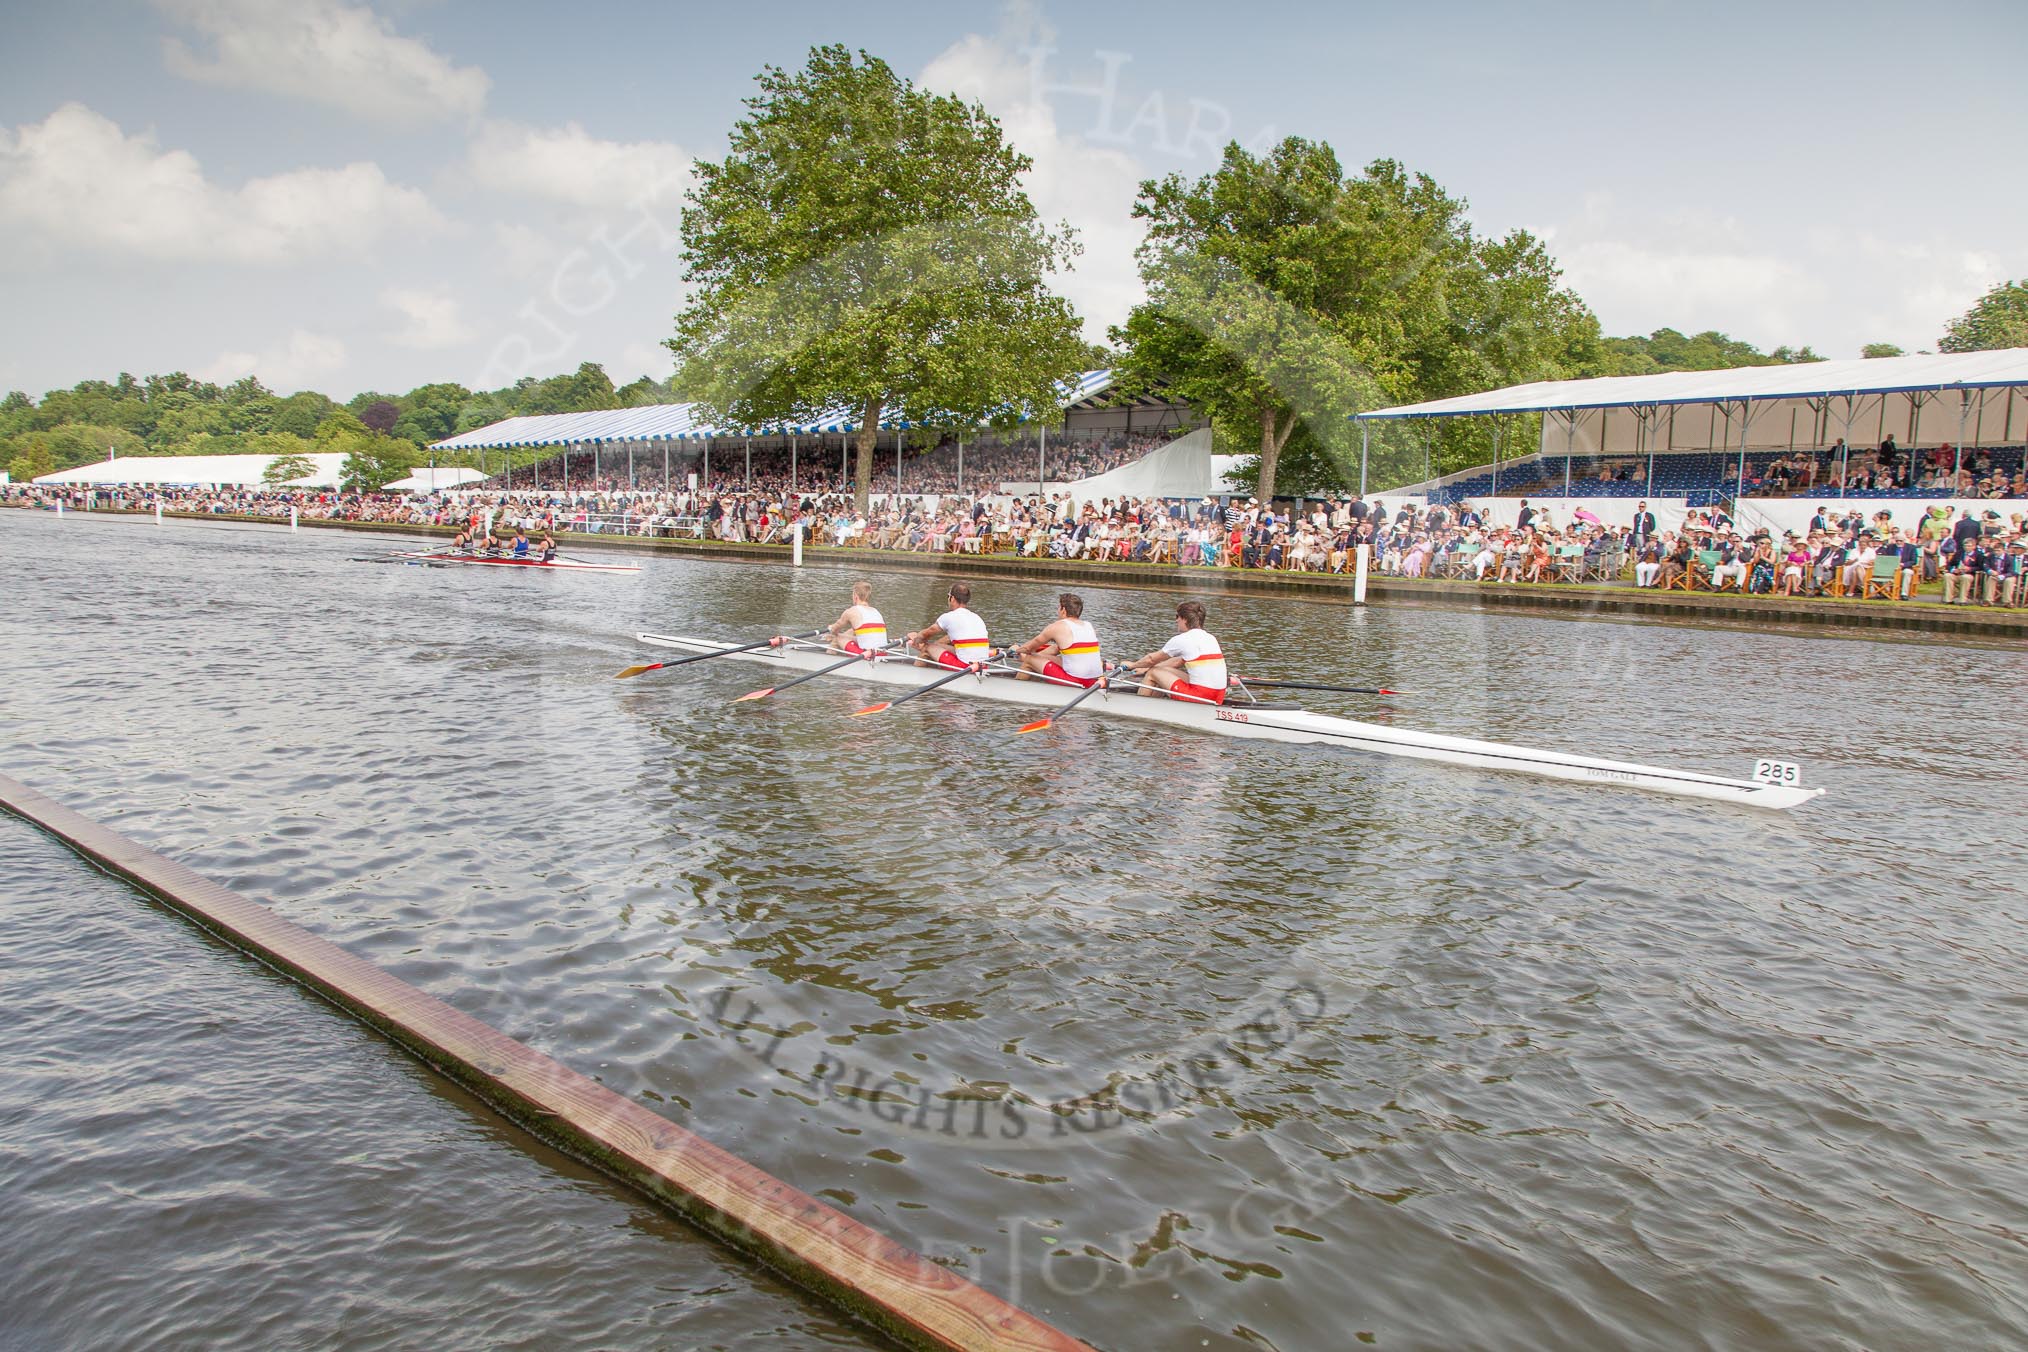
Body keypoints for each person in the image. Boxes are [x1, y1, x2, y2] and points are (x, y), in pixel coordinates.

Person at [1129, 600, 1226, 705]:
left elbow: (1151, 659)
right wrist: (1146, 667)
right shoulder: (1210, 638)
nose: (1176, 621)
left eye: (1177, 616)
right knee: (1159, 670)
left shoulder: (1183, 639)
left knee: (1153, 673)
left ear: (1185, 619)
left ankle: (1139, 707)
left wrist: (1132, 665)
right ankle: (1156, 706)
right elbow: (1177, 662)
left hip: (1200, 696)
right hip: (1218, 696)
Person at [1012, 592, 1104, 687]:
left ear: (1063, 610)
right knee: (1047, 658)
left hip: (1077, 680)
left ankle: (1016, 689)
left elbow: (1028, 649)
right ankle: (1035, 685)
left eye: (1058, 607)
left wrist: (1016, 650)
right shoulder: (1088, 626)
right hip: (1095, 680)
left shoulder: (1057, 626)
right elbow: (1055, 649)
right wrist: (1036, 655)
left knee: (1030, 659)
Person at [904, 582, 992, 669]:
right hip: (982, 665)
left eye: (948, 596)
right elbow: (949, 638)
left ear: (952, 598)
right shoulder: (977, 617)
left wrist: (916, 638)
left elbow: (925, 634)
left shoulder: (949, 617)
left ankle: (915, 675)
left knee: (927, 648)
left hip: (966, 666)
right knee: (937, 645)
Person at [828, 580, 887, 656]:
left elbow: (834, 630)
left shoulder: (851, 611)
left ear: (855, 596)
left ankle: (828, 658)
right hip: (882, 654)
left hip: (868, 656)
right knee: (852, 631)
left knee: (837, 637)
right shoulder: (875, 611)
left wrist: (831, 630)